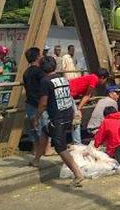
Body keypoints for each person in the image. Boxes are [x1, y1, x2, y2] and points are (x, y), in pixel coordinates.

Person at [34, 56, 84, 187]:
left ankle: (77, 174)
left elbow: (43, 103)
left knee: (60, 147)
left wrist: (36, 116)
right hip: (68, 114)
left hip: (58, 118)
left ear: (41, 68)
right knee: (45, 131)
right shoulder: (63, 78)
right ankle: (36, 160)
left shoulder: (45, 81)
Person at [23, 47, 51, 167]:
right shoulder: (40, 73)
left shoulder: (26, 72)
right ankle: (44, 152)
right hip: (39, 105)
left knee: (34, 132)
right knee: (44, 131)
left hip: (29, 104)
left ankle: (36, 152)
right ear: (37, 57)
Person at [69, 68, 110, 145]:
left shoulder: (91, 77)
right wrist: (78, 109)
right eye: (106, 79)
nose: (105, 82)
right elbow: (87, 95)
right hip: (69, 94)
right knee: (76, 118)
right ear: (102, 78)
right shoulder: (94, 79)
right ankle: (77, 143)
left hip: (69, 93)